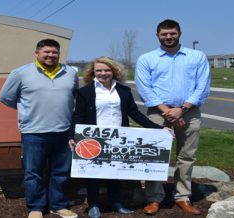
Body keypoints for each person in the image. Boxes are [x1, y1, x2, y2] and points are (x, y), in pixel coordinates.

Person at [68, 57, 165, 218]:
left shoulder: (124, 91)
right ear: (93, 72)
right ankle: (93, 204)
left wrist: (159, 129)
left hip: (119, 138)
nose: (103, 73)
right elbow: (78, 115)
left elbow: (134, 114)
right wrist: (72, 135)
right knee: (93, 174)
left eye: (107, 70)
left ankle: (116, 202)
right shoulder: (85, 92)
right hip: (95, 138)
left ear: (114, 71)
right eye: (99, 70)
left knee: (115, 173)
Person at [135, 19, 210, 215]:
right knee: (154, 155)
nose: (168, 37)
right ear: (157, 35)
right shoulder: (146, 59)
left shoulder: (196, 56)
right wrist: (168, 111)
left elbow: (202, 86)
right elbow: (145, 88)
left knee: (186, 156)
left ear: (179, 33)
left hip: (190, 112)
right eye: (164, 34)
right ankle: (154, 198)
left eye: (172, 33)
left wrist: (182, 109)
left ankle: (182, 197)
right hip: (157, 113)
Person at [0, 39, 79, 218]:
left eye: (54, 52)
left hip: (63, 132)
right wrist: (27, 111)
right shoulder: (20, 73)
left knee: (61, 171)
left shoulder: (70, 73)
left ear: (59, 54)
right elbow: (6, 97)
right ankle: (36, 207)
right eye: (46, 52)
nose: (51, 55)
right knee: (33, 172)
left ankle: (58, 205)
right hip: (33, 132)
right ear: (37, 53)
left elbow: (73, 95)